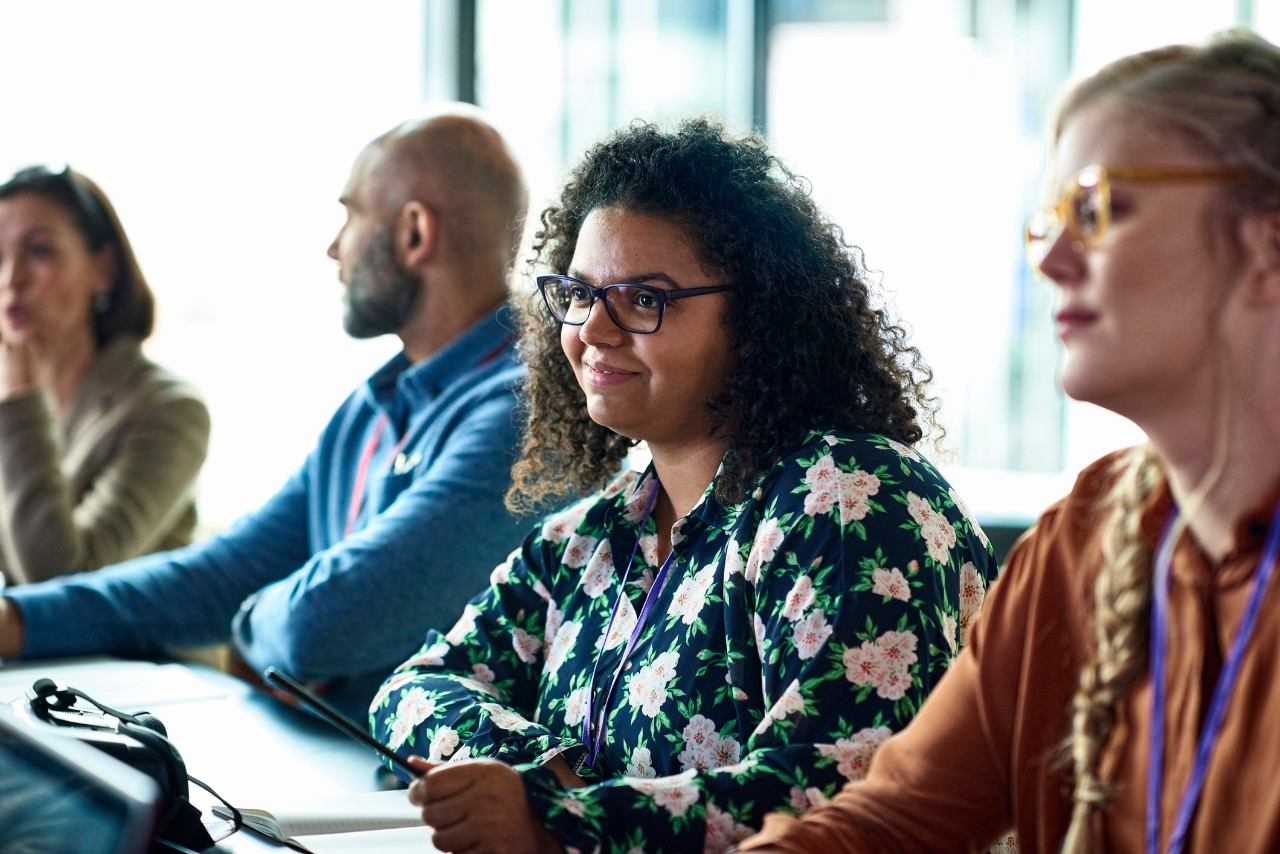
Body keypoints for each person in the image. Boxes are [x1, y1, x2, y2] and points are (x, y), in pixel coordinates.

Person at [370, 116, 999, 854]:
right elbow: (415, 688)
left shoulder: (847, 498)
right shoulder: (591, 536)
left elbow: (843, 789)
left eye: (644, 299)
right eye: (579, 292)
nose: (594, 331)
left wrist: (557, 823)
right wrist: (545, 772)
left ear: (758, 319)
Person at [738, 26, 1280, 854]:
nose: (1053, 258)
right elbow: (897, 818)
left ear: (1268, 242)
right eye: (1049, 222)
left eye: (1098, 209)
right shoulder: (1089, 535)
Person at [0, 104, 533, 721]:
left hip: (406, 796)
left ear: (415, 233)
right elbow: (226, 570)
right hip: (328, 756)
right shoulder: (373, 405)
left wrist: (247, 617)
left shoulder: (522, 415)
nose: (334, 247)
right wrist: (19, 619)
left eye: (352, 214)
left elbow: (322, 627)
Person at [0, 166, 210, 587]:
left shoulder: (169, 408)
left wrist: (21, 400)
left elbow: (61, 580)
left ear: (104, 269)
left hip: (132, 652)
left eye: (40, 251)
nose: (11, 279)